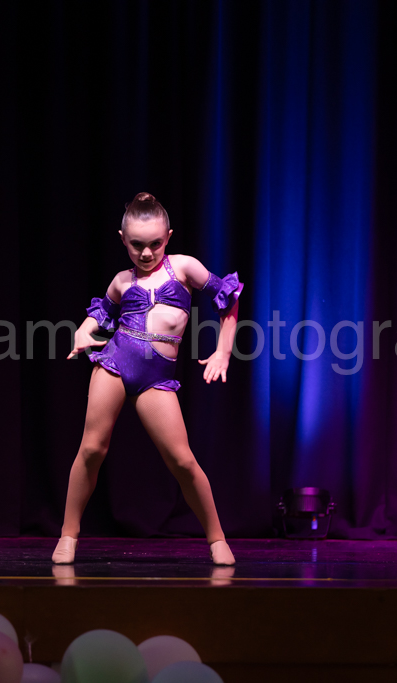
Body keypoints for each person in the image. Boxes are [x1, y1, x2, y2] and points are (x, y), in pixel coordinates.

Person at [52, 192, 243, 566]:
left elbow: (229, 298)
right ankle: (68, 534)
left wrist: (223, 351)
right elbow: (100, 314)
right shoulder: (121, 281)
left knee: (182, 461)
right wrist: (83, 331)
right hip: (115, 363)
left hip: (156, 377)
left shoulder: (184, 268)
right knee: (91, 449)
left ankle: (217, 539)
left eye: (155, 244)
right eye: (136, 245)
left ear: (168, 237)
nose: (146, 253)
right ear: (122, 239)